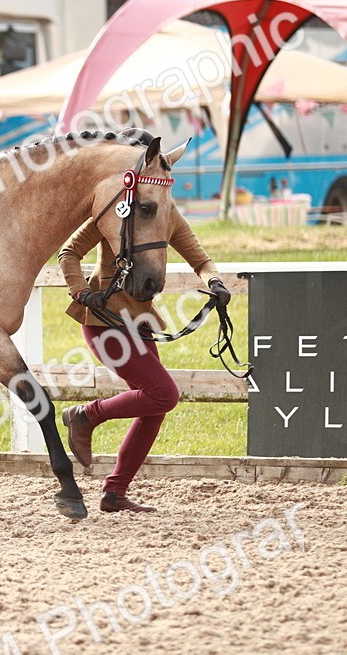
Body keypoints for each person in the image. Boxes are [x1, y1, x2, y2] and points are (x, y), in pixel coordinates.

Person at [59, 128, 231, 513]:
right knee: (164, 394)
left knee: (154, 408)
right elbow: (69, 253)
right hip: (104, 322)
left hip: (141, 324)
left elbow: (201, 260)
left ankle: (114, 493)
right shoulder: (113, 210)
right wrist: (80, 291)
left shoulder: (166, 214)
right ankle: (84, 416)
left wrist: (215, 283)